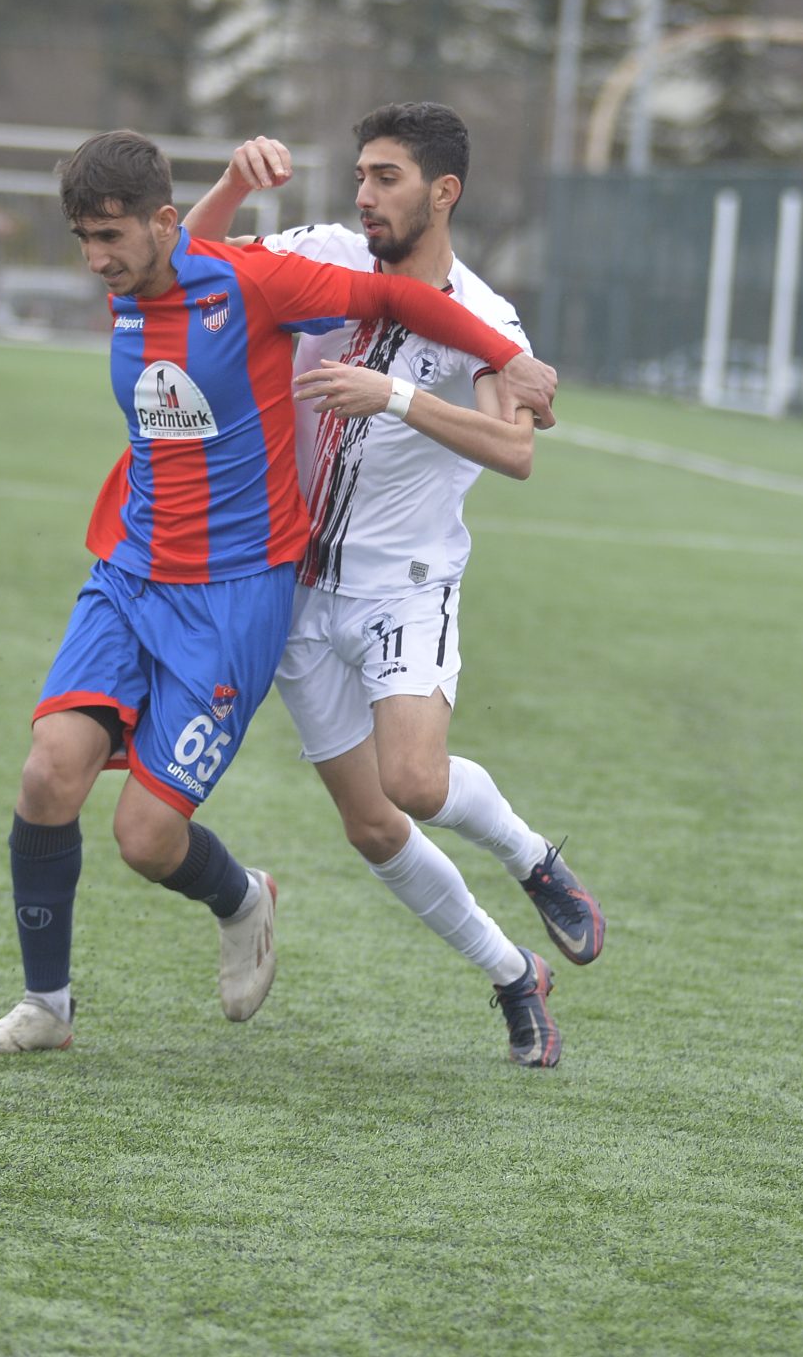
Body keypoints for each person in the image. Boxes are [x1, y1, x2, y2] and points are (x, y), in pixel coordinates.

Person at [0, 129, 557, 1055]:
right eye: (83, 238)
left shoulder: (251, 283)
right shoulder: (139, 283)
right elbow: (180, 254)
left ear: (160, 222)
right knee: (48, 774)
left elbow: (394, 297)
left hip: (237, 599)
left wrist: (502, 358)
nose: (95, 260)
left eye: (109, 237)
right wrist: (234, 182)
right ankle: (47, 1006)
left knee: (148, 839)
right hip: (128, 574)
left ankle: (246, 898)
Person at [181, 109, 596, 1069]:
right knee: (372, 826)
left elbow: (516, 451)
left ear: (444, 192)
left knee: (414, 781)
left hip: (403, 587)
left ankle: (534, 859)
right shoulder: (323, 251)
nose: (364, 195)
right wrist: (234, 183)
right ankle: (513, 975)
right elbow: (186, 266)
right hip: (296, 590)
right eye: (362, 174)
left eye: (388, 178)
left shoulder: (485, 317)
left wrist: (399, 397)